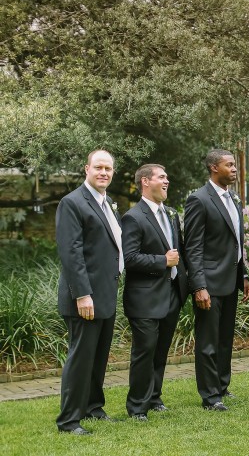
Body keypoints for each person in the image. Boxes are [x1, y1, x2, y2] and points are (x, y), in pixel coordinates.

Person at [55, 150, 123, 435]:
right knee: (81, 358)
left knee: (98, 357)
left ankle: (93, 407)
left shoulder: (107, 203)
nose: (104, 173)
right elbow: (71, 253)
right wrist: (82, 294)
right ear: (87, 169)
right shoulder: (72, 203)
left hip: (106, 294)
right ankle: (69, 420)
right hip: (85, 298)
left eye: (108, 168)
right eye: (99, 167)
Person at [184, 149, 249, 411]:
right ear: (214, 168)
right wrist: (199, 286)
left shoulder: (233, 198)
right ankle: (210, 396)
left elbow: (236, 243)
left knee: (224, 339)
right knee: (208, 342)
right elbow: (193, 247)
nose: (235, 169)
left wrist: (243, 273)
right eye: (229, 165)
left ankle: (222, 386)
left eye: (235, 165)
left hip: (230, 281)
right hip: (209, 284)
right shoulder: (198, 200)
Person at [122, 164, 188, 421]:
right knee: (144, 352)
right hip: (144, 298)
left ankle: (154, 398)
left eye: (167, 177)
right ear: (145, 182)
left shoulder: (171, 214)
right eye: (162, 177)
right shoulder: (133, 217)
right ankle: (137, 407)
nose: (167, 181)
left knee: (161, 351)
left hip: (171, 293)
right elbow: (129, 258)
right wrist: (163, 261)